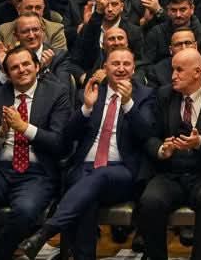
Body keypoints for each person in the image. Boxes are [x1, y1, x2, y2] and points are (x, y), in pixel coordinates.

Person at [18, 48, 154, 260]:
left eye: (126, 64)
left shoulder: (145, 95)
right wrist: (86, 108)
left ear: (134, 69)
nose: (121, 68)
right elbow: (67, 136)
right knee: (87, 197)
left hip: (121, 171)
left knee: (97, 177)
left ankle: (47, 230)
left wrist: (128, 104)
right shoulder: (91, 93)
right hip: (84, 167)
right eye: (115, 63)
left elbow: (146, 135)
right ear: (105, 68)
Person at [0, 46, 73, 260]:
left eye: (26, 64)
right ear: (8, 74)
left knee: (25, 211)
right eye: (14, 67)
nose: (21, 70)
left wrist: (24, 128)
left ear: (37, 67)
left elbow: (60, 143)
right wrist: (0, 134)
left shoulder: (56, 93)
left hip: (37, 171)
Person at [136, 47, 201, 260]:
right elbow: (149, 137)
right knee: (150, 200)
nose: (173, 76)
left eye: (179, 70)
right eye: (173, 69)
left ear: (197, 72)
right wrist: (162, 149)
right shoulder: (164, 95)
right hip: (171, 172)